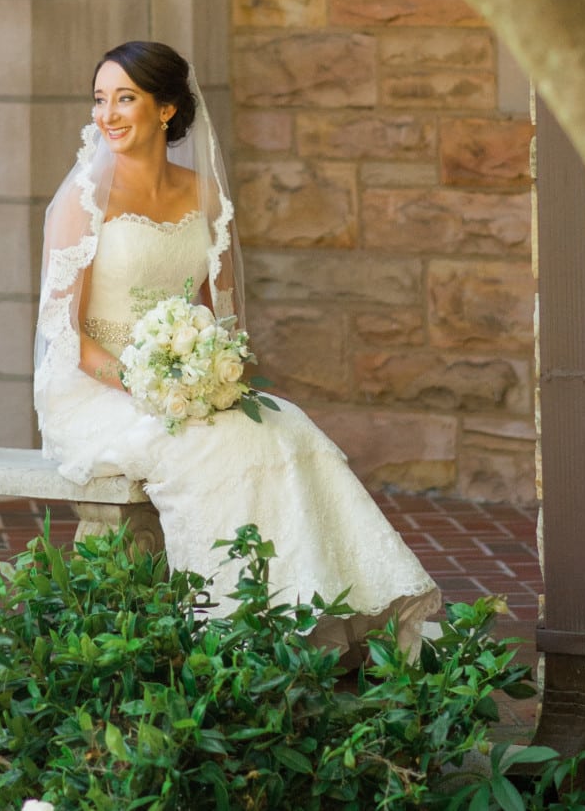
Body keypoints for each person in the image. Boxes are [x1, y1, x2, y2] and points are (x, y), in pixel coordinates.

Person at [35, 39, 440, 654]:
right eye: (100, 99)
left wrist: (207, 374)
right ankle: (226, 636)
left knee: (287, 426)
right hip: (96, 385)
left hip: (180, 378)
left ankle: (323, 612)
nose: (107, 114)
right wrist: (147, 384)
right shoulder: (82, 200)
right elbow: (68, 337)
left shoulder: (205, 194)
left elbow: (218, 317)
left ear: (166, 109)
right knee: (208, 447)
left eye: (125, 98)